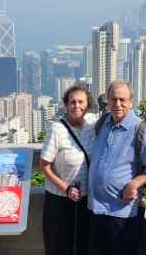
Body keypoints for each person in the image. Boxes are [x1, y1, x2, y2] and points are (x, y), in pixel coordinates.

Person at [88, 80, 146, 255]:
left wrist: (134, 184)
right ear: (107, 101)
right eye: (113, 99)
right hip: (96, 208)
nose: (117, 104)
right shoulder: (103, 124)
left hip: (121, 213)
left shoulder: (141, 130)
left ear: (131, 102)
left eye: (122, 100)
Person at [40, 84, 96, 255]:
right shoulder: (56, 129)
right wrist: (66, 188)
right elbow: (44, 165)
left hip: (85, 199)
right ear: (66, 105)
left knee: (82, 244)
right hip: (59, 200)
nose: (76, 106)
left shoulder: (92, 124)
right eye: (72, 102)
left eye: (81, 102)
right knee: (59, 245)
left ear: (88, 105)